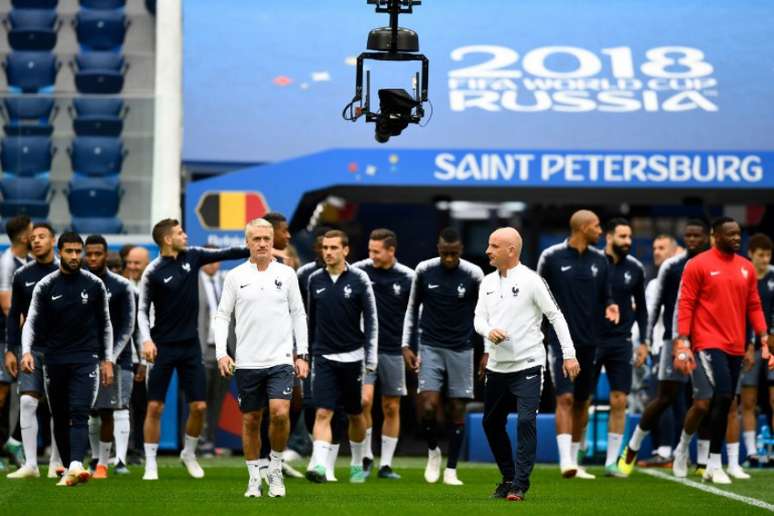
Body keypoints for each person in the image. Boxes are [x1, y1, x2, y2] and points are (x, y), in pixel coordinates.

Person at [138, 219, 250, 480]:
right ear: (167, 239)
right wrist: (146, 340)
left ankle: (189, 454)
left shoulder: (194, 256)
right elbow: (142, 310)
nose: (185, 235)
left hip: (190, 346)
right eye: (179, 233)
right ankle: (150, 463)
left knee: (199, 407)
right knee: (155, 407)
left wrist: (255, 247)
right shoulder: (152, 271)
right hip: (162, 347)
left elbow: (227, 252)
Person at [475, 227, 579, 502]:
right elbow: (478, 320)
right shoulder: (485, 282)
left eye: (494, 246)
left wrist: (569, 354)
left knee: (525, 421)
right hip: (498, 366)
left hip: (529, 364)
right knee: (491, 423)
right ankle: (508, 477)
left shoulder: (533, 281)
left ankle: (519, 485)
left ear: (511, 250)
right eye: (489, 244)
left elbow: (555, 316)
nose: (488, 250)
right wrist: (488, 333)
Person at [669, 217, 772, 484]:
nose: (737, 238)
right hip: (707, 341)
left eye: (739, 234)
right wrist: (682, 340)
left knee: (720, 401)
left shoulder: (746, 268)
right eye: (731, 234)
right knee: (722, 396)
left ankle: (686, 448)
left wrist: (762, 335)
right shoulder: (698, 264)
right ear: (716, 236)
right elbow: (686, 303)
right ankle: (712, 462)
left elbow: (754, 305)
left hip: (736, 344)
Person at [213, 218, 309, 498]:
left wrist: (301, 354)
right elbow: (222, 316)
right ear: (247, 243)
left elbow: (298, 314)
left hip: (280, 359)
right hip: (247, 362)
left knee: (280, 413)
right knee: (251, 420)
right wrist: (222, 353)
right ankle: (254, 477)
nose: (263, 243)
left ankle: (275, 469)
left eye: (267, 238)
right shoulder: (235, 276)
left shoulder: (287, 274)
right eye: (257, 239)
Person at [618, 220, 710, 476]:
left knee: (704, 402)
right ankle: (633, 448)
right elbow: (653, 309)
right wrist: (647, 342)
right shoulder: (671, 268)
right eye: (688, 235)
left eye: (697, 235)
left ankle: (701, 461)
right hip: (672, 341)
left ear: (707, 238)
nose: (693, 239)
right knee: (665, 397)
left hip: (707, 341)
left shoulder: (713, 264)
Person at [21, 232, 114, 487]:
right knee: (59, 415)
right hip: (54, 359)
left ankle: (75, 463)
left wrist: (107, 360)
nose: (75, 256)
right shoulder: (46, 285)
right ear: (59, 252)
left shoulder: (94, 284)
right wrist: (26, 351)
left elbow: (106, 324)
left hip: (86, 358)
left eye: (78, 251)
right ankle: (68, 469)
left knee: (79, 411)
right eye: (69, 251)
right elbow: (31, 320)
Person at [537, 210, 619, 479]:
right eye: (597, 226)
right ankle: (564, 461)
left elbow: (607, 295)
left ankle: (574, 459)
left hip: (590, 342)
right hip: (559, 343)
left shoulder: (601, 260)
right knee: (565, 397)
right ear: (583, 228)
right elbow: (537, 297)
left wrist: (611, 306)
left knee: (583, 401)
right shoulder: (550, 257)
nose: (600, 231)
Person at [402, 227, 484, 486]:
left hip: (462, 347)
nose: (449, 258)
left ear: (460, 250)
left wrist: (488, 352)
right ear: (438, 249)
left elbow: (484, 314)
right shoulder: (424, 270)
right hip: (431, 346)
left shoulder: (473, 274)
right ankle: (433, 451)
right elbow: (412, 308)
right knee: (428, 407)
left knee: (456, 408)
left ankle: (451, 469)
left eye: (453, 254)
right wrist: (406, 344)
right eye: (444, 253)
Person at [304, 230, 377, 484]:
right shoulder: (314, 279)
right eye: (325, 247)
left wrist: (371, 358)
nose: (328, 252)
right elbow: (310, 321)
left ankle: (357, 462)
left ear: (345, 250)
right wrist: (306, 354)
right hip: (323, 356)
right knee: (323, 412)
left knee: (355, 414)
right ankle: (320, 467)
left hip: (354, 358)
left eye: (334, 247)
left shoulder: (360, 279)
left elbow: (371, 321)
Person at [353, 229, 414, 479]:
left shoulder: (408, 277)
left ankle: (385, 464)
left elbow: (415, 316)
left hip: (393, 349)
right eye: (369, 251)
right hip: (364, 349)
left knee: (391, 406)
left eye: (376, 252)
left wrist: (411, 347)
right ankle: (366, 457)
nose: (372, 256)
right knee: (363, 402)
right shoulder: (358, 271)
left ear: (391, 251)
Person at [5, 223, 62, 479]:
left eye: (42, 237)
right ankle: (30, 464)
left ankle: (56, 461)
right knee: (28, 401)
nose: (36, 240)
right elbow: (13, 315)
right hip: (31, 349)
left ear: (53, 241)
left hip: (63, 350)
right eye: (34, 237)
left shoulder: (66, 271)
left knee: (58, 406)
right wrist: (10, 350)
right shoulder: (22, 274)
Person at [595, 219, 648, 476]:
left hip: (621, 342)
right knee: (580, 400)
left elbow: (643, 310)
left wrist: (645, 343)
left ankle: (611, 461)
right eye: (622, 236)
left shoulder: (636, 268)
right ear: (609, 236)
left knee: (620, 400)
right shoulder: (592, 262)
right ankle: (575, 455)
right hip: (591, 339)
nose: (627, 241)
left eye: (630, 237)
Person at [83, 235, 137, 478]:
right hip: (86, 357)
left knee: (115, 408)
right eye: (90, 254)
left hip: (119, 358)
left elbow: (128, 326)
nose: (93, 258)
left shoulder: (121, 285)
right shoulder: (78, 282)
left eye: (98, 254)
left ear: (106, 254)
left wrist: (110, 356)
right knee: (93, 411)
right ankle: (95, 459)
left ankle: (117, 460)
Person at [638, 234, 681, 468]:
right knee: (668, 400)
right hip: (660, 347)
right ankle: (670, 451)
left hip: (669, 346)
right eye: (654, 247)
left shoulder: (674, 279)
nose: (656, 251)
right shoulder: (655, 282)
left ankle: (667, 451)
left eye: (662, 248)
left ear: (674, 251)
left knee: (662, 399)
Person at [738, 234, 774, 466]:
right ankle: (751, 452)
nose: (764, 259)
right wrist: (746, 344)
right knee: (748, 400)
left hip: (772, 345)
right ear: (750, 253)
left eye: (768, 255)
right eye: (760, 255)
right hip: (747, 345)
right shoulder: (742, 275)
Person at [0, 215, 32, 469]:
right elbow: (6, 305)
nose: (36, 236)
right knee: (1, 394)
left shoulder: (29, 262)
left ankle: (12, 441)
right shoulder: (6, 263)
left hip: (26, 339)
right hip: (6, 339)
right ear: (23, 236)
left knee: (32, 393)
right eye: (33, 232)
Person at [197, 245, 228, 456]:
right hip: (201, 348)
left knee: (218, 398)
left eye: (215, 259)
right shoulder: (192, 282)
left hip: (224, 350)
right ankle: (196, 442)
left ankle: (210, 441)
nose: (212, 264)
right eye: (208, 260)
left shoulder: (226, 282)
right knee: (199, 399)